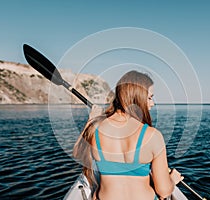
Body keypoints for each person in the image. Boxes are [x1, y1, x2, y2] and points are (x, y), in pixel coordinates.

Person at [73, 70, 184, 200]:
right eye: (149, 97)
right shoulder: (153, 136)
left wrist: (91, 120)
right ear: (137, 98)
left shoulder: (96, 129)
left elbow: (78, 154)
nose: (152, 103)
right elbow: (164, 192)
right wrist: (172, 179)